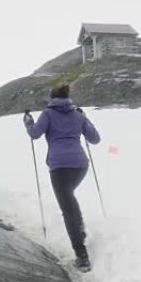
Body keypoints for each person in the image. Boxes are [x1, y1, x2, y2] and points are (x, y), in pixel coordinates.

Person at [23, 84, 100, 271]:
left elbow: (35, 134)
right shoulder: (78, 114)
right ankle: (81, 237)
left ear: (52, 98)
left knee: (68, 209)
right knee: (70, 202)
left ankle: (82, 257)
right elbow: (95, 139)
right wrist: (86, 119)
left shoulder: (48, 113)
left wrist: (28, 122)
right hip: (80, 165)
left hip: (59, 167)